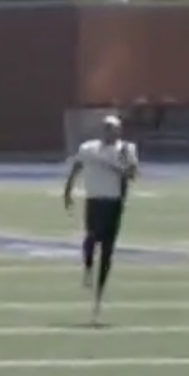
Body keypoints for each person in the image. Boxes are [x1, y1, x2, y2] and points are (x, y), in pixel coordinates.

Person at [63, 113, 138, 324]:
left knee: (107, 249)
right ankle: (88, 267)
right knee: (91, 237)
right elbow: (76, 169)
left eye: (114, 128)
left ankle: (99, 295)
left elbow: (132, 175)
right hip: (94, 199)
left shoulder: (125, 150)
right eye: (107, 128)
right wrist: (68, 191)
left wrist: (119, 168)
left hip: (113, 202)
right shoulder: (89, 149)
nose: (110, 132)